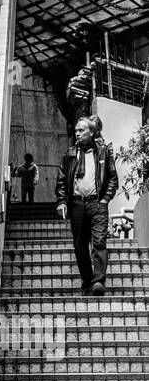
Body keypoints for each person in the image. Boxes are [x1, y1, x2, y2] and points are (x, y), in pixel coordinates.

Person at [55, 115, 119, 296]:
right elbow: (61, 179)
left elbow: (113, 178)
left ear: (91, 132)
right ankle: (87, 281)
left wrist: (105, 198)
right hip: (76, 204)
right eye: (76, 130)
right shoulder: (69, 154)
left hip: (97, 203)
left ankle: (98, 282)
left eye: (81, 130)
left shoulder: (103, 152)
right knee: (80, 245)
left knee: (99, 241)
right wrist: (61, 201)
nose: (77, 133)